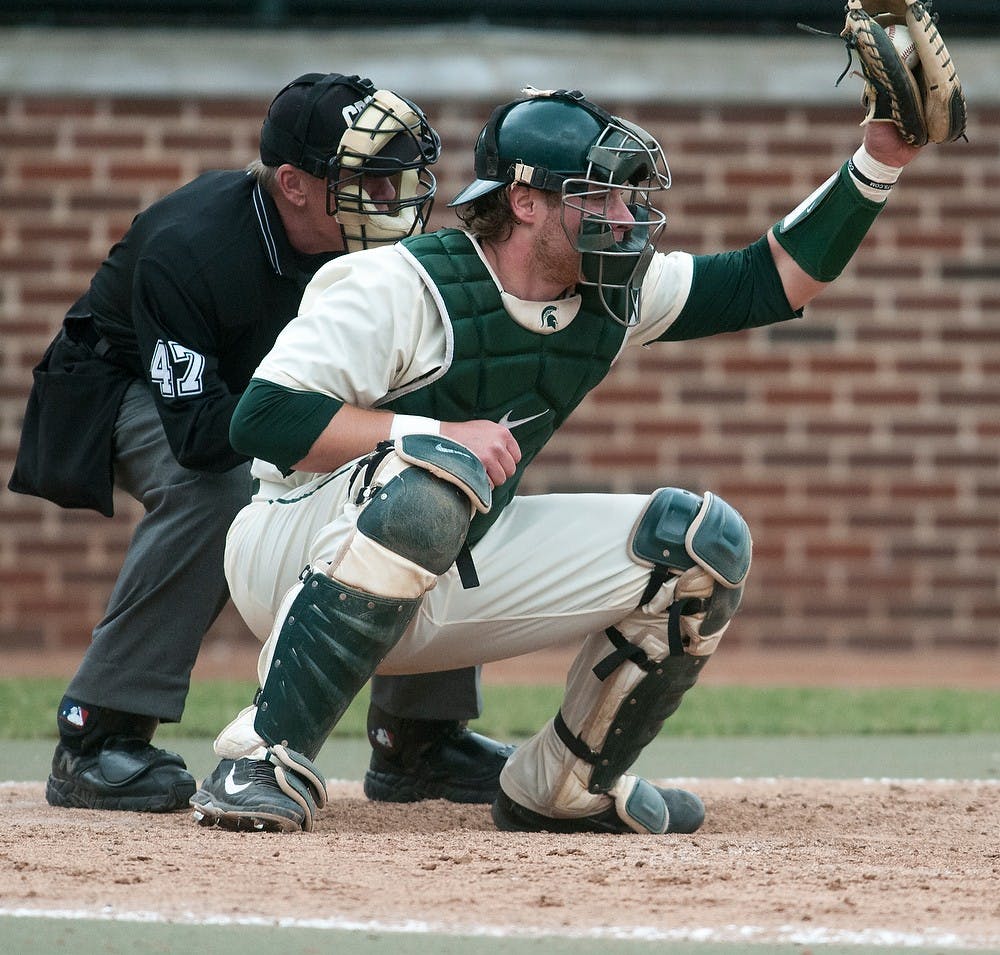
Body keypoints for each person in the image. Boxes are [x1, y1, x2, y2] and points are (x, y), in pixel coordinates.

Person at [187, 82, 922, 835]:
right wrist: (424, 431)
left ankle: (565, 782)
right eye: (601, 197)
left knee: (702, 544)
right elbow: (263, 419)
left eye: (631, 198)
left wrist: (879, 163)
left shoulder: (611, 292)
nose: (627, 218)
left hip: (443, 562)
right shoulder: (400, 284)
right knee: (437, 470)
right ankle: (261, 756)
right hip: (290, 552)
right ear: (527, 201)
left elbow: (767, 282)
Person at [8, 71, 511, 814]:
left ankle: (418, 742)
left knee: (427, 467)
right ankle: (96, 732)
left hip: (262, 394)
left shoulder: (378, 253)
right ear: (294, 185)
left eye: (391, 179)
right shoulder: (190, 248)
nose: (388, 199)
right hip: (123, 389)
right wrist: (325, 429)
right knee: (215, 488)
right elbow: (203, 434)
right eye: (364, 181)